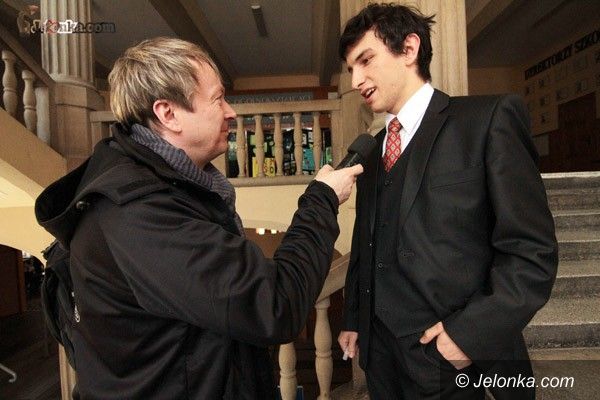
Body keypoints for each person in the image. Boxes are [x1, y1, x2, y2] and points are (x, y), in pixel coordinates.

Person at [35, 37, 362, 400]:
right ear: (168, 114)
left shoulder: (170, 187)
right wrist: (322, 200)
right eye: (218, 99)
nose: (231, 112)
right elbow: (275, 303)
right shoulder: (140, 213)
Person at [337, 4, 558, 400]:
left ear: (409, 49)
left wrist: (468, 337)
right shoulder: (371, 150)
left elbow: (531, 251)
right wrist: (355, 316)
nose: (356, 80)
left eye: (365, 60)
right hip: (381, 359)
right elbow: (365, 242)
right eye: (351, 68)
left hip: (453, 358)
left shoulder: (488, 120)